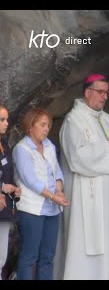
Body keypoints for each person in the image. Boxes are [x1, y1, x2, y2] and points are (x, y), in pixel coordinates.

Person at [56, 73, 109, 280]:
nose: (104, 97)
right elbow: (76, 156)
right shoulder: (74, 120)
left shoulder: (108, 119)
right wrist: (107, 146)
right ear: (87, 92)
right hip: (88, 200)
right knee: (85, 243)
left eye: (107, 93)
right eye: (100, 92)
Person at [12, 108, 69, 280]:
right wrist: (53, 196)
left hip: (52, 209)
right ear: (30, 126)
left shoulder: (49, 146)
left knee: (47, 257)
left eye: (48, 125)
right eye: (42, 125)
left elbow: (57, 172)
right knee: (29, 256)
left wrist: (59, 191)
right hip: (32, 209)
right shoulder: (21, 149)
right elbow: (30, 181)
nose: (46, 129)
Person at [0, 105, 21, 280]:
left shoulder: (4, 145)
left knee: (1, 257)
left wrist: (14, 188)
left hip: (4, 207)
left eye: (7, 119)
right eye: (2, 119)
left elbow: (7, 173)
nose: (7, 123)